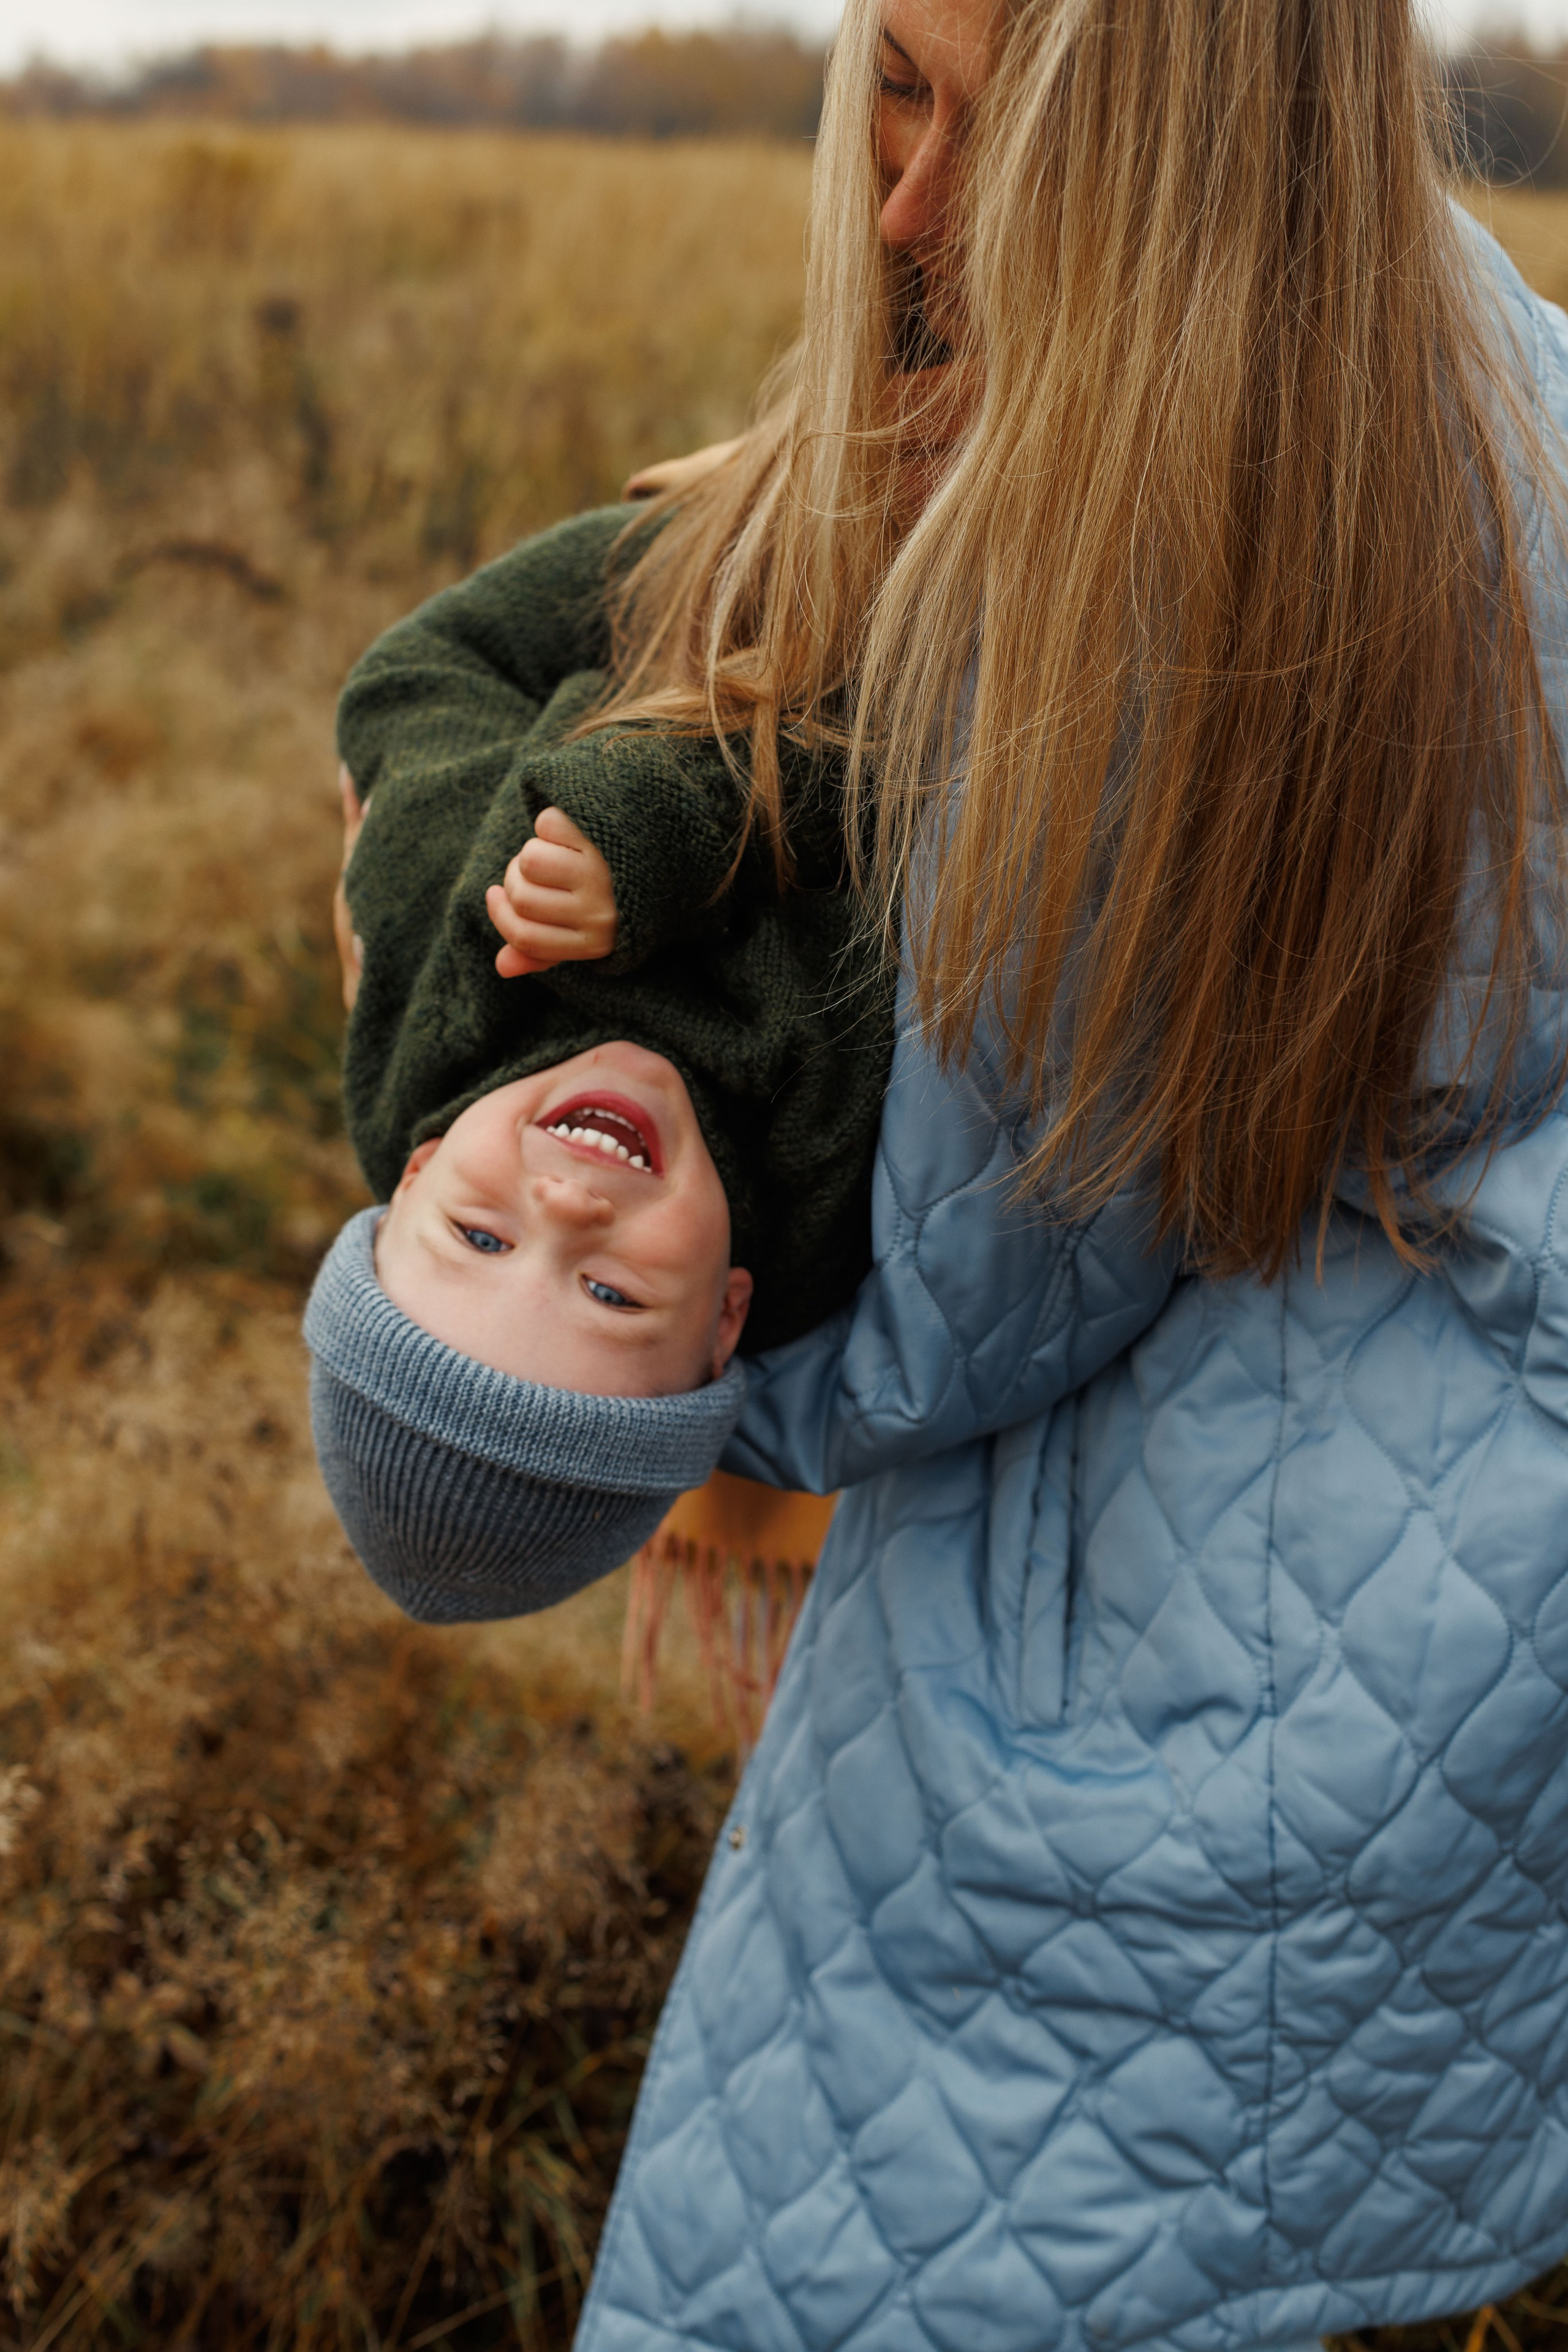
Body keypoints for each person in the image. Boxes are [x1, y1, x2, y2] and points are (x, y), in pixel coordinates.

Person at [328, 1, 1568, 2347]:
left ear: (1209, 167)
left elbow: (960, 1296)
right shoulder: (1490, 375)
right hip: (1428, 1520)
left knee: (843, 2239)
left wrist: (672, 1318)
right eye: (894, 81)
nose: (904, 212)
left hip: (1275, 1614)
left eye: (1005, 139)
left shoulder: (1139, 586)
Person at [306, 505, 892, 1617]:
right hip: (932, 616)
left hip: (729, 547)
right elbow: (920, 800)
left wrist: (705, 524)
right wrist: (658, 830)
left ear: (419, 1171)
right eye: (613, 1295)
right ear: (726, 1319)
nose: (568, 1206)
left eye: (481, 1236)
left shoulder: (444, 962)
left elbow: (419, 677)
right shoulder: (834, 1164)